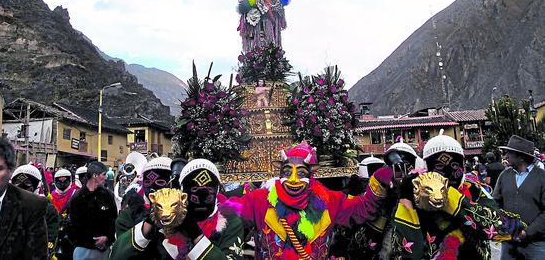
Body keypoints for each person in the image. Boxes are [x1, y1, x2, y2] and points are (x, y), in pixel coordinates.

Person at [232, 141, 393, 259]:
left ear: (311, 174)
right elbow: (227, 213)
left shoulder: (330, 201)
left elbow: (362, 209)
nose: (293, 180)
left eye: (301, 173)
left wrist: (379, 179)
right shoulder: (260, 201)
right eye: (287, 172)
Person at [389, 131, 524, 259]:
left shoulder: (473, 189)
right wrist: (406, 200)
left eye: (455, 166)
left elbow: (502, 227)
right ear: (427, 168)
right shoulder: (414, 195)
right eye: (439, 168)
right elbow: (407, 251)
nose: (449, 175)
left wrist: (451, 198)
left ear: (463, 166)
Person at [110, 158, 245, 259]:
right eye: (194, 190)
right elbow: (117, 255)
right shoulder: (164, 216)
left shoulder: (230, 222)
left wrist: (195, 235)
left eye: (208, 191)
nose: (201, 197)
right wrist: (149, 223)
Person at [493, 135, 545, 259]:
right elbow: (495, 202)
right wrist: (500, 223)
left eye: (509, 153)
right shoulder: (504, 175)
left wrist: (526, 232)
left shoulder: (542, 177)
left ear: (521, 157)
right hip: (509, 244)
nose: (506, 157)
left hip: (536, 244)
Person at [68, 161, 117, 259]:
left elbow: (114, 219)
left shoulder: (108, 196)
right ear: (95, 175)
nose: (106, 177)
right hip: (83, 250)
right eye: (104, 174)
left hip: (104, 250)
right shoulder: (77, 198)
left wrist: (107, 238)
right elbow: (73, 226)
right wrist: (92, 241)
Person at [115, 156, 172, 237]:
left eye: (160, 182)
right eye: (148, 182)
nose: (152, 189)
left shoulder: (184, 210)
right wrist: (149, 222)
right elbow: (121, 246)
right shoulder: (129, 212)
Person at [11, 164, 60, 257]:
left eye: (27, 185)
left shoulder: (47, 209)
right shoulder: (6, 207)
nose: (22, 191)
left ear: (36, 187)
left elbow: (48, 242)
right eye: (18, 185)